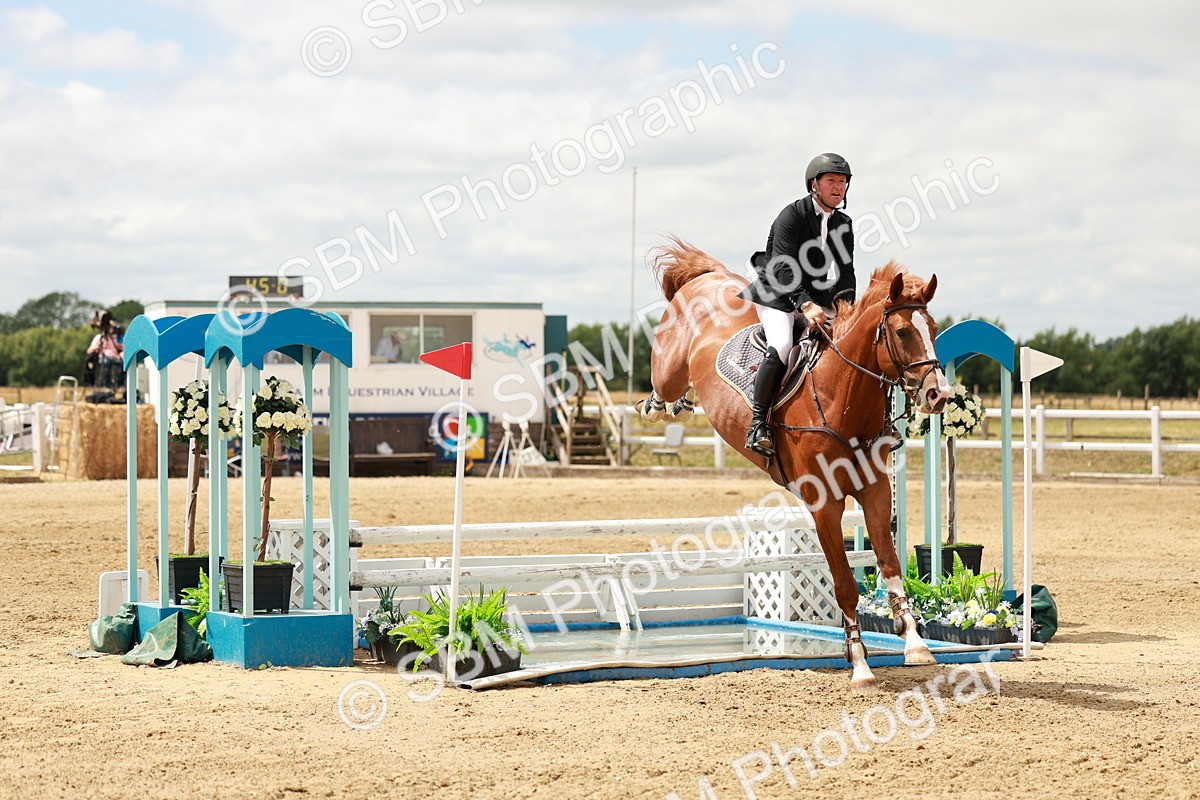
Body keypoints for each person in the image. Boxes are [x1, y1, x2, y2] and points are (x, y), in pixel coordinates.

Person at [737, 152, 857, 458]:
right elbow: (781, 267)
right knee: (782, 344)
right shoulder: (792, 215)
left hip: (815, 296)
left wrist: (846, 308)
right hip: (777, 293)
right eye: (831, 180)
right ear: (814, 184)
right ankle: (757, 424)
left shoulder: (843, 222)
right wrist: (804, 305)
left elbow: (845, 271)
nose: (838, 187)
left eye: (843, 182)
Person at [86, 310, 125, 389]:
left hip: (116, 359)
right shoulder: (99, 338)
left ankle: (119, 385)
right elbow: (88, 351)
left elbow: (122, 348)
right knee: (107, 361)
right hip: (104, 359)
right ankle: (108, 387)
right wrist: (96, 347)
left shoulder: (116, 338)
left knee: (126, 364)